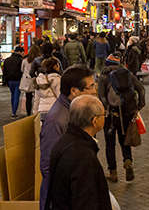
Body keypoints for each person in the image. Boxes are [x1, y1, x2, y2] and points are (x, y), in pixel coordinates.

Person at [39, 66, 96, 210]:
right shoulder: (58, 120)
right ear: (74, 91)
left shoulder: (74, 111)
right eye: (91, 86)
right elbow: (48, 166)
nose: (95, 91)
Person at [44, 95, 111, 210]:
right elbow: (86, 201)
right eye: (103, 115)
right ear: (94, 121)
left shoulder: (65, 141)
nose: (105, 117)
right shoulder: (83, 156)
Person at [98, 54, 145, 183]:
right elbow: (141, 89)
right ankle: (128, 161)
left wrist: (106, 108)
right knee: (125, 140)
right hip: (127, 113)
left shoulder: (104, 77)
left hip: (111, 115)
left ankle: (113, 172)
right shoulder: (127, 74)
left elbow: (101, 96)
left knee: (110, 144)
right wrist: (139, 105)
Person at [3, 46, 24, 118]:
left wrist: (5, 81)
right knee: (16, 96)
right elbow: (22, 71)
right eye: (22, 52)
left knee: (13, 95)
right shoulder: (21, 60)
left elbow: (4, 71)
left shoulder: (7, 60)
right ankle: (14, 112)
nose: (23, 54)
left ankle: (13, 110)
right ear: (20, 52)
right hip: (18, 80)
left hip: (9, 80)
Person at [20, 48, 38, 116]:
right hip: (36, 80)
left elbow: (22, 70)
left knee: (28, 98)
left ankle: (28, 113)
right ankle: (36, 112)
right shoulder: (38, 60)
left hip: (27, 81)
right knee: (37, 98)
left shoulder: (25, 60)